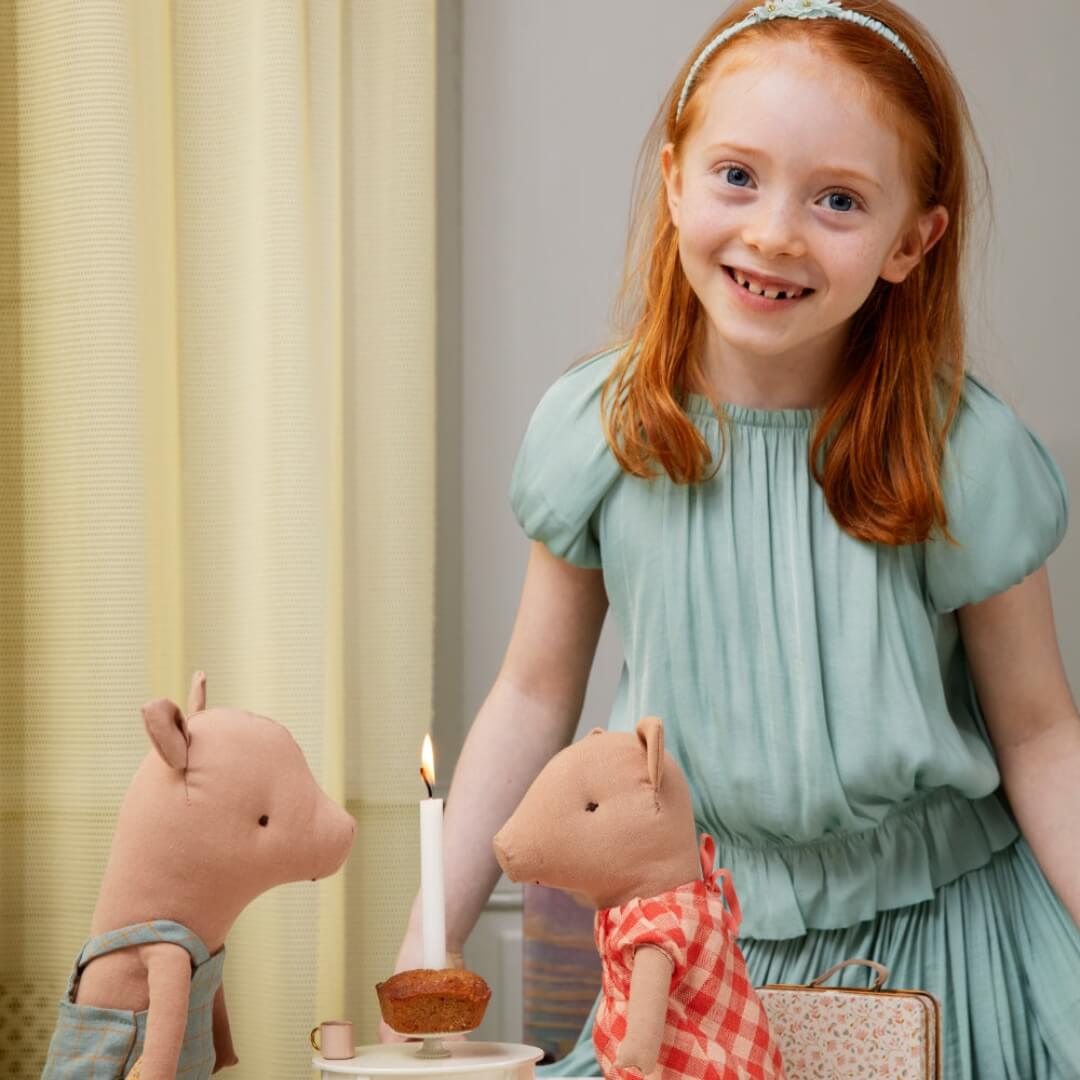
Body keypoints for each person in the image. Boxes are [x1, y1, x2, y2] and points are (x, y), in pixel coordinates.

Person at [387, 1, 1080, 1075]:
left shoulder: (960, 453)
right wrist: (424, 951)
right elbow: (532, 699)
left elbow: (1041, 740)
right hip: (695, 956)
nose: (774, 233)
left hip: (951, 951)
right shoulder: (600, 432)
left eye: (838, 199)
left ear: (912, 241)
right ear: (673, 180)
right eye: (737, 176)